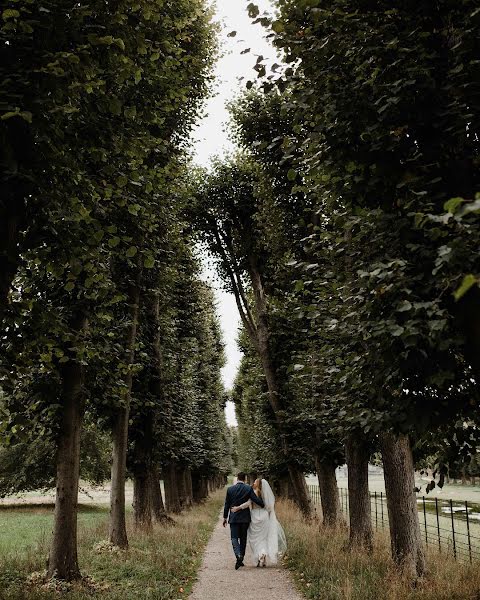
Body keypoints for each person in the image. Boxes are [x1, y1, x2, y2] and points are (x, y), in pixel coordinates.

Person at [231, 478, 287, 568]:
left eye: (255, 482)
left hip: (255, 516)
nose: (253, 483)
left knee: (255, 539)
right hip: (264, 516)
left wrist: (238, 508)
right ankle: (263, 556)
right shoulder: (265, 494)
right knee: (263, 538)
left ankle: (260, 555)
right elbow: (269, 507)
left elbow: (248, 503)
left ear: (258, 484)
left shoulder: (253, 492)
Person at [223, 472, 264, 570]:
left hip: (233, 518)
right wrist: (263, 504)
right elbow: (254, 499)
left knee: (234, 538)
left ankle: (238, 556)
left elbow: (227, 504)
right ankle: (241, 557)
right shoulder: (248, 488)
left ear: (237, 478)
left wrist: (225, 517)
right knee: (243, 538)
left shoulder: (230, 489)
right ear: (245, 479)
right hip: (245, 518)